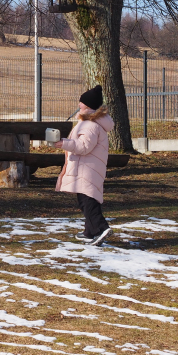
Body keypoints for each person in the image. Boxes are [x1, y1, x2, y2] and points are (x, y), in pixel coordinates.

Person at [53, 85, 114, 246]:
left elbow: (83, 146)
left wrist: (64, 143)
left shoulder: (90, 125)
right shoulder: (91, 122)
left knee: (87, 201)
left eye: (82, 102)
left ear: (88, 105)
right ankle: (90, 232)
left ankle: (101, 228)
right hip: (88, 167)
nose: (79, 104)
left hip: (87, 168)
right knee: (87, 198)